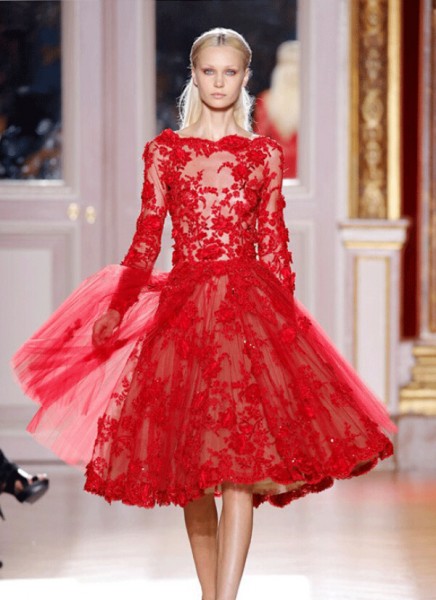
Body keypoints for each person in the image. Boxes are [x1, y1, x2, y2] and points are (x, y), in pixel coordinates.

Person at [11, 28, 396, 600]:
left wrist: (286, 327)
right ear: (194, 75)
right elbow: (146, 239)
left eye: (230, 72)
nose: (219, 82)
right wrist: (118, 306)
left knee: (240, 469)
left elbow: (275, 246)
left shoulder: (262, 155)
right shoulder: (165, 152)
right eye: (209, 71)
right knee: (190, 474)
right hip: (184, 316)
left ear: (245, 78)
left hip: (247, 315)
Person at [253, 40, 299, 178]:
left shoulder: (313, 105)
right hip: (275, 177)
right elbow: (259, 146)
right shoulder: (266, 101)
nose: (292, 72)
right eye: (288, 66)